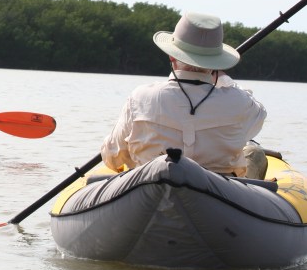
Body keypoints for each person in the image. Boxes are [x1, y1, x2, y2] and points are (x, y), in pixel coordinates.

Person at [101, 12, 268, 179]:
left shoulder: (140, 97)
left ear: (172, 56)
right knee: (255, 154)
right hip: (221, 196)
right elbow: (259, 115)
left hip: (149, 193)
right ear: (216, 63)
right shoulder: (239, 101)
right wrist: (223, 78)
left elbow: (112, 158)